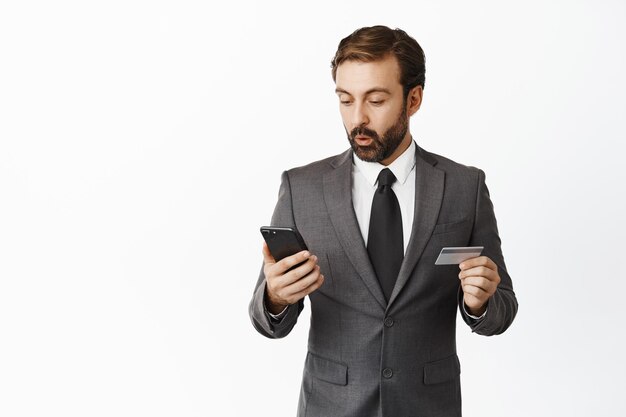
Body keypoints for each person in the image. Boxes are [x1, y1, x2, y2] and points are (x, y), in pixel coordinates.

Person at [249, 25, 518, 417]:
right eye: (345, 100)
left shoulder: (466, 187)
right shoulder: (300, 188)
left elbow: (502, 310)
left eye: (375, 100)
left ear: (414, 99)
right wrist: (275, 298)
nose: (357, 118)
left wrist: (480, 304)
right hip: (331, 405)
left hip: (428, 406)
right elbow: (266, 321)